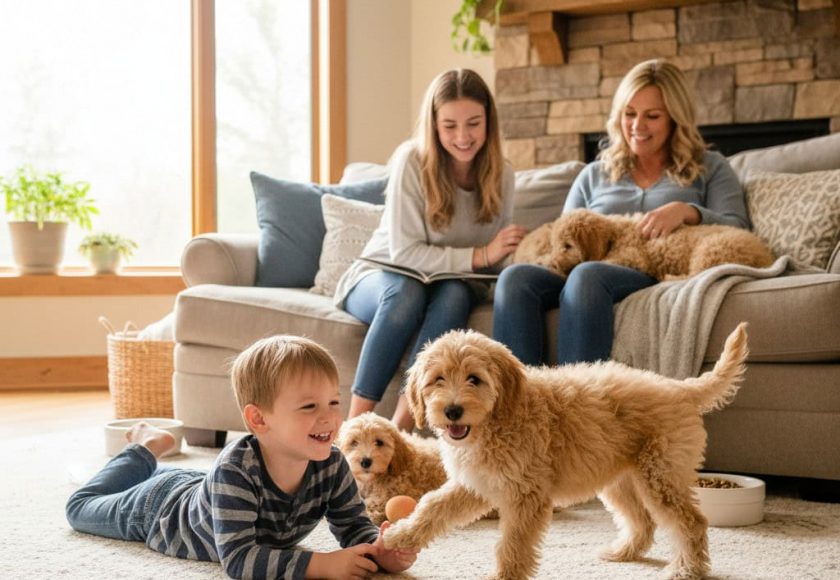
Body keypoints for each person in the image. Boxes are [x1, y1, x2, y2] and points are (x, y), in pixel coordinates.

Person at [66, 335, 418, 579]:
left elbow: (352, 526)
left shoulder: (332, 464)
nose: (328, 417)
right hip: (157, 509)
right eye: (310, 406)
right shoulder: (236, 471)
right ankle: (145, 448)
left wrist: (379, 550)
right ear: (258, 420)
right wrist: (321, 566)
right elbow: (238, 560)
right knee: (80, 507)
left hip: (206, 489)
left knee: (209, 484)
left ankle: (159, 461)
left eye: (333, 402)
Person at [493, 58, 750, 366]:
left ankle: (578, 406)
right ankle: (516, 407)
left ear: (675, 119)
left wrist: (687, 211)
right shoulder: (594, 174)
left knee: (588, 275)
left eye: (652, 116)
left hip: (650, 268)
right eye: (629, 114)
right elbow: (563, 234)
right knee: (514, 279)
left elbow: (738, 227)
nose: (637, 126)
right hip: (579, 268)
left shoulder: (710, 167)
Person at [333, 69, 527, 431]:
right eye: (449, 125)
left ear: (489, 122)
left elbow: (498, 258)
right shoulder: (412, 160)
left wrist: (511, 255)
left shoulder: (502, 175)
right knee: (405, 293)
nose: (463, 137)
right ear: (434, 125)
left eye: (473, 123)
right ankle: (355, 429)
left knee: (454, 295)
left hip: (450, 282)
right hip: (381, 275)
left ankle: (400, 429)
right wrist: (480, 255)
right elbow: (404, 252)